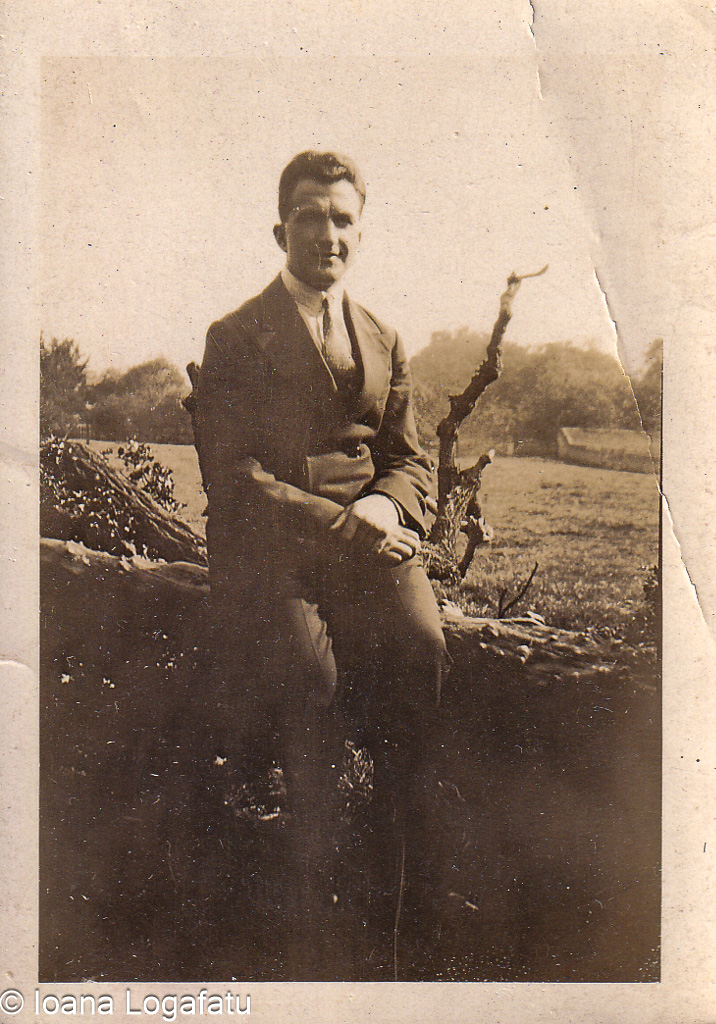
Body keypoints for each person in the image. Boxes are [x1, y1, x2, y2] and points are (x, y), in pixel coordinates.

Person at [194, 150, 448, 977]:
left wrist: (384, 509)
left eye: (343, 218)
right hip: (275, 552)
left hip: (369, 540)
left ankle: (400, 916)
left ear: (361, 231)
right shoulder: (234, 336)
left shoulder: (383, 334)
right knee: (310, 685)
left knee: (421, 648)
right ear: (281, 229)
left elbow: (413, 459)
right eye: (310, 215)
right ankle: (309, 925)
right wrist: (349, 529)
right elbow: (236, 483)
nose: (327, 233)